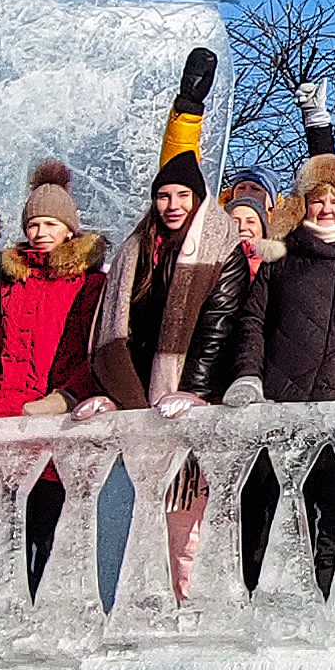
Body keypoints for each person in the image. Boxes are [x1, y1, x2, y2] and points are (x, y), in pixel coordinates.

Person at [220, 154, 335, 590]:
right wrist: (248, 376)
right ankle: (275, 609)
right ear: (302, 204)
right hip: (286, 408)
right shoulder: (280, 256)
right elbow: (253, 322)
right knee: (282, 522)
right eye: (317, 199)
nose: (326, 209)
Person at [92, 49, 249, 409]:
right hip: (139, 393)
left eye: (183, 196)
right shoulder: (139, 249)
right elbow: (126, 328)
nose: (173, 205)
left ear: (198, 200)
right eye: (163, 196)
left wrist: (193, 392)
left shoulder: (218, 247)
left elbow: (217, 327)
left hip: (196, 391)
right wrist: (120, 399)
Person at [0, 161, 108, 420]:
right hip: (2, 408)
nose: (40, 233)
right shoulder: (12, 281)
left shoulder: (90, 283)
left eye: (51, 224)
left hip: (61, 415)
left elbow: (95, 355)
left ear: (69, 231)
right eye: (33, 225)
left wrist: (67, 397)